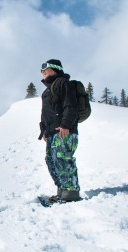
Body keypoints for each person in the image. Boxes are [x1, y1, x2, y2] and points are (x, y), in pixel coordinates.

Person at [39, 59, 81, 202]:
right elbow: (47, 113)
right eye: (41, 70)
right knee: (51, 160)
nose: (43, 71)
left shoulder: (63, 83)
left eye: (46, 69)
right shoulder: (47, 91)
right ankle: (62, 191)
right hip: (52, 133)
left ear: (55, 69)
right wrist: (43, 129)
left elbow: (71, 106)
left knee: (62, 159)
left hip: (64, 131)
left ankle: (71, 193)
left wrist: (66, 125)